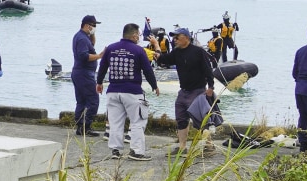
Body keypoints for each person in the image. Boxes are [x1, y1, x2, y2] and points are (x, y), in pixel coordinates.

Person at [96, 23, 159, 161]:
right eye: (139, 35)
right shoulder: (138, 50)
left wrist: (99, 83)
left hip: (113, 91)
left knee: (115, 122)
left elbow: (102, 68)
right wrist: (154, 85)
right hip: (132, 91)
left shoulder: (110, 48)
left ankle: (115, 150)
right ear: (134, 35)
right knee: (137, 121)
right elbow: (147, 70)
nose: (139, 38)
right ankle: (136, 151)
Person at [157, 28, 215, 155]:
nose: (175, 40)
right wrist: (157, 53)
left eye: (178, 37)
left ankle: (209, 145)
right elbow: (164, 60)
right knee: (181, 119)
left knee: (200, 119)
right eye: (174, 37)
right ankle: (182, 147)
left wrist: (211, 87)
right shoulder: (176, 52)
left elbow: (208, 69)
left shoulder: (198, 52)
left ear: (187, 38)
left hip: (198, 90)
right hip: (183, 91)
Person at [72, 15, 104, 136]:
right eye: (93, 26)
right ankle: (87, 126)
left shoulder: (83, 37)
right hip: (84, 73)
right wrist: (100, 56)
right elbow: (84, 56)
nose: (95, 28)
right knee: (93, 100)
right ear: (87, 25)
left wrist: (92, 34)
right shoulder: (82, 39)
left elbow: (91, 45)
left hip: (80, 73)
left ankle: (80, 126)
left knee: (81, 100)